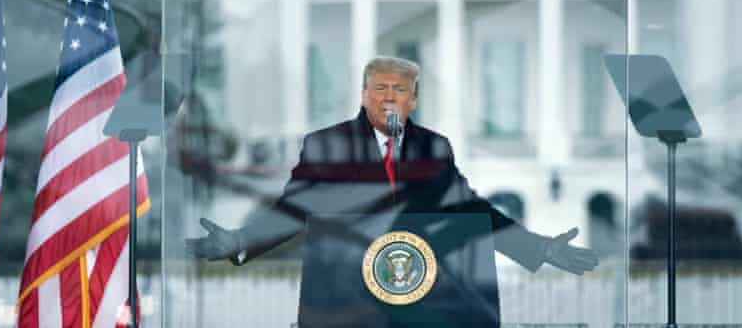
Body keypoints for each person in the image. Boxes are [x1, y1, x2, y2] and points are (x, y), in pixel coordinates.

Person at [186, 56, 599, 324]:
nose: (388, 97)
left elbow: (470, 211)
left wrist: (538, 247)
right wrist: (240, 241)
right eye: (379, 89)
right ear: (363, 96)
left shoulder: (433, 147)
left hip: (423, 306)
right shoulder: (327, 144)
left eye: (398, 90)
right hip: (345, 304)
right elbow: (295, 208)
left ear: (413, 100)